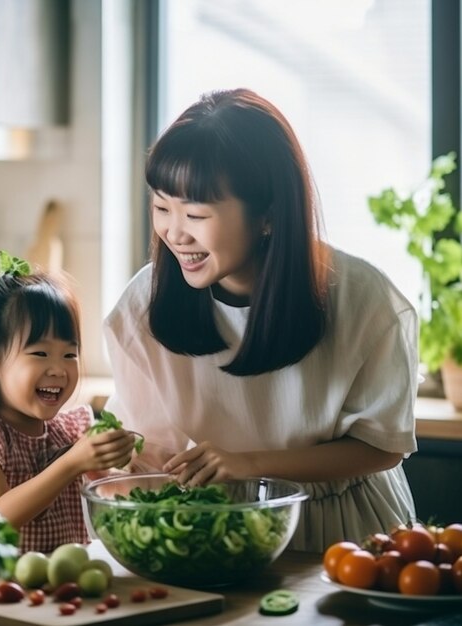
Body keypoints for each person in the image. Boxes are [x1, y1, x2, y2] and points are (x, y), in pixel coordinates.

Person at [103, 88, 418, 552]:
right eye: (161, 207)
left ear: (267, 215)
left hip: (345, 529)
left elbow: (384, 446)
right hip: (222, 524)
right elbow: (152, 451)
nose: (174, 231)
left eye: (195, 213)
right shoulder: (142, 304)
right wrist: (110, 467)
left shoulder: (362, 298)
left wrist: (251, 463)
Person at [0, 252, 136, 553]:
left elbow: (112, 493)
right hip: (9, 591)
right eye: (40, 353)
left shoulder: (68, 431)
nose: (58, 369)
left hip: (65, 584)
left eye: (70, 355)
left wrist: (140, 470)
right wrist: (72, 463)